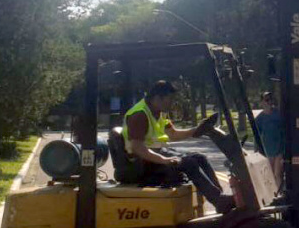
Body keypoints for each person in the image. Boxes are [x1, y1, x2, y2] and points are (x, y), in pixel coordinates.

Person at [121, 80, 234, 214]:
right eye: (169, 99)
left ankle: (220, 199)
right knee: (189, 163)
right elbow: (137, 148)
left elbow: (173, 134)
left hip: (155, 156)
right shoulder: (139, 115)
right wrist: (164, 160)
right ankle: (219, 200)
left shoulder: (159, 112)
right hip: (142, 163)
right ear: (158, 98)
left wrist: (197, 129)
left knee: (200, 158)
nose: (172, 103)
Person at [254, 92, 285, 187]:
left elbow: (284, 131)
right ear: (262, 102)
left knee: (277, 174)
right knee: (270, 174)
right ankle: (272, 192)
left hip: (279, 150)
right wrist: (256, 150)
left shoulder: (278, 114)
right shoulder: (260, 118)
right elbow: (257, 135)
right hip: (267, 150)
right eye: (266, 100)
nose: (269, 102)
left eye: (270, 99)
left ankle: (279, 193)